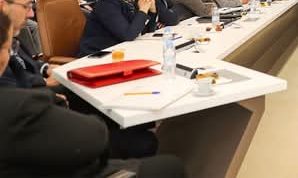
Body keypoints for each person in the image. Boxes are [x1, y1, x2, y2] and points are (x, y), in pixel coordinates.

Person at [0, 10, 187, 177]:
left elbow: (25, 66)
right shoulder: (20, 104)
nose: (31, 13)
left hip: (45, 124)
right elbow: (93, 135)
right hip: (55, 156)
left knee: (132, 127)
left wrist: (44, 73)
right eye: (9, 49)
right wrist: (47, 98)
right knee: (166, 163)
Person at [77, 0, 158, 57]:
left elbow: (144, 33)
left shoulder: (130, 2)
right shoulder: (107, 3)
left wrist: (152, 12)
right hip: (97, 55)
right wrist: (143, 10)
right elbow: (128, 35)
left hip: (118, 52)